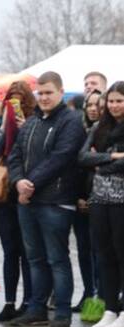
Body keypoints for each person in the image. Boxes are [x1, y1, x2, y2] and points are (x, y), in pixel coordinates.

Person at [6, 71, 86, 327]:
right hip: (27, 200)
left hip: (56, 200)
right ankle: (37, 308)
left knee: (57, 258)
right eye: (40, 93)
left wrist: (30, 183)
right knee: (35, 259)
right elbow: (15, 155)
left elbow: (61, 157)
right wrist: (18, 181)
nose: (44, 97)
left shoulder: (71, 121)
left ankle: (62, 310)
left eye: (49, 92)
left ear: (61, 92)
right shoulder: (30, 123)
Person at [0, 81, 36, 323]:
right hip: (2, 193)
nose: (15, 103)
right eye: (11, 98)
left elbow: (37, 155)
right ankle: (9, 302)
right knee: (10, 251)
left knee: (28, 251)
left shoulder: (35, 122)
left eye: (20, 99)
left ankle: (29, 302)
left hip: (27, 191)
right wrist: (3, 126)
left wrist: (24, 128)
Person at [79, 80, 124, 327]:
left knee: (121, 253)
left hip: (122, 201)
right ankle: (109, 308)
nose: (114, 105)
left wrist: (101, 163)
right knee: (104, 254)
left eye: (120, 100)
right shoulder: (99, 127)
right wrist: (114, 156)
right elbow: (83, 157)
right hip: (99, 199)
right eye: (112, 100)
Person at [73, 90, 104, 311]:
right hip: (79, 199)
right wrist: (77, 198)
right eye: (89, 105)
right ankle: (87, 292)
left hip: (102, 200)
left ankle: (103, 295)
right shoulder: (77, 131)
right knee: (83, 250)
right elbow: (77, 162)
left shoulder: (107, 133)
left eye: (97, 105)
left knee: (101, 251)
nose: (93, 108)